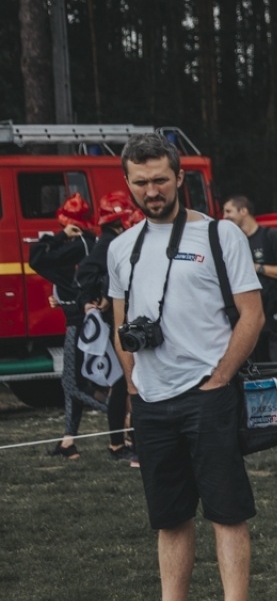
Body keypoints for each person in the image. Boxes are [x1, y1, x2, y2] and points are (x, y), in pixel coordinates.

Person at [106, 132, 265, 601]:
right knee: (168, 513)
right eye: (140, 182)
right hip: (152, 400)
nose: (151, 190)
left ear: (179, 178)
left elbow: (252, 315)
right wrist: (133, 382)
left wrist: (220, 376)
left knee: (225, 509)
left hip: (208, 394)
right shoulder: (121, 247)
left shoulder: (220, 237)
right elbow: (121, 322)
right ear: (127, 184)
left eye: (159, 179)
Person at [29, 193, 105, 459]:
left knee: (72, 384)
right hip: (83, 318)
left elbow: (36, 258)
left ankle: (126, 417)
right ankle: (68, 442)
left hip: (79, 322)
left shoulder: (76, 245)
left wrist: (59, 237)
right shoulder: (91, 242)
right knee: (77, 382)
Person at [75, 190, 144, 463]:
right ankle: (130, 444)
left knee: (121, 383)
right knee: (132, 382)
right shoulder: (110, 243)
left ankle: (119, 443)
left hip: (118, 318)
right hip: (121, 318)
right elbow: (90, 273)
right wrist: (97, 297)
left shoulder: (109, 240)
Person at [221, 195, 277, 364]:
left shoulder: (271, 236)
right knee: (259, 374)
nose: (224, 217)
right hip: (250, 322)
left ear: (244, 211)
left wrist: (258, 268)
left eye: (228, 211)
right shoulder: (234, 243)